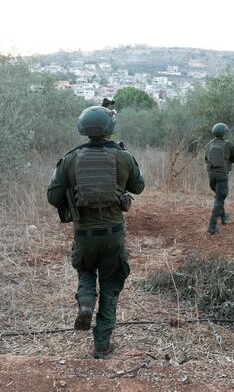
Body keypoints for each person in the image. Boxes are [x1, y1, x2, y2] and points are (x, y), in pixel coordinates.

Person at [47, 106, 145, 359]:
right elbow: (139, 186)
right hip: (113, 234)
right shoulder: (123, 157)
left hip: (84, 234)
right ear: (109, 129)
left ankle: (87, 301)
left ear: (83, 129)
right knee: (111, 285)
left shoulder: (70, 159)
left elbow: (53, 196)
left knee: (86, 271)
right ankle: (101, 345)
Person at [205, 123, 234, 234]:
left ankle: (224, 218)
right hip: (222, 176)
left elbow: (206, 158)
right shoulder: (228, 144)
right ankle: (212, 226)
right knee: (219, 199)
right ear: (224, 132)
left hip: (211, 176)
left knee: (219, 197)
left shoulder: (209, 144)